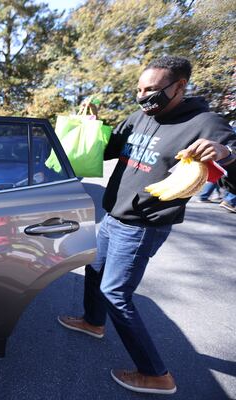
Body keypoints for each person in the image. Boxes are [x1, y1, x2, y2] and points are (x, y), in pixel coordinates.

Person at [57, 56, 236, 395]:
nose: (143, 97)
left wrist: (225, 154)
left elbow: (232, 174)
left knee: (116, 293)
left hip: (142, 225)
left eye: (152, 90)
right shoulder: (139, 117)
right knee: (94, 270)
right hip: (113, 214)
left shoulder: (206, 123)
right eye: (139, 90)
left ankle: (156, 374)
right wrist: (93, 127)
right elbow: (107, 151)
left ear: (179, 86)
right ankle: (93, 323)